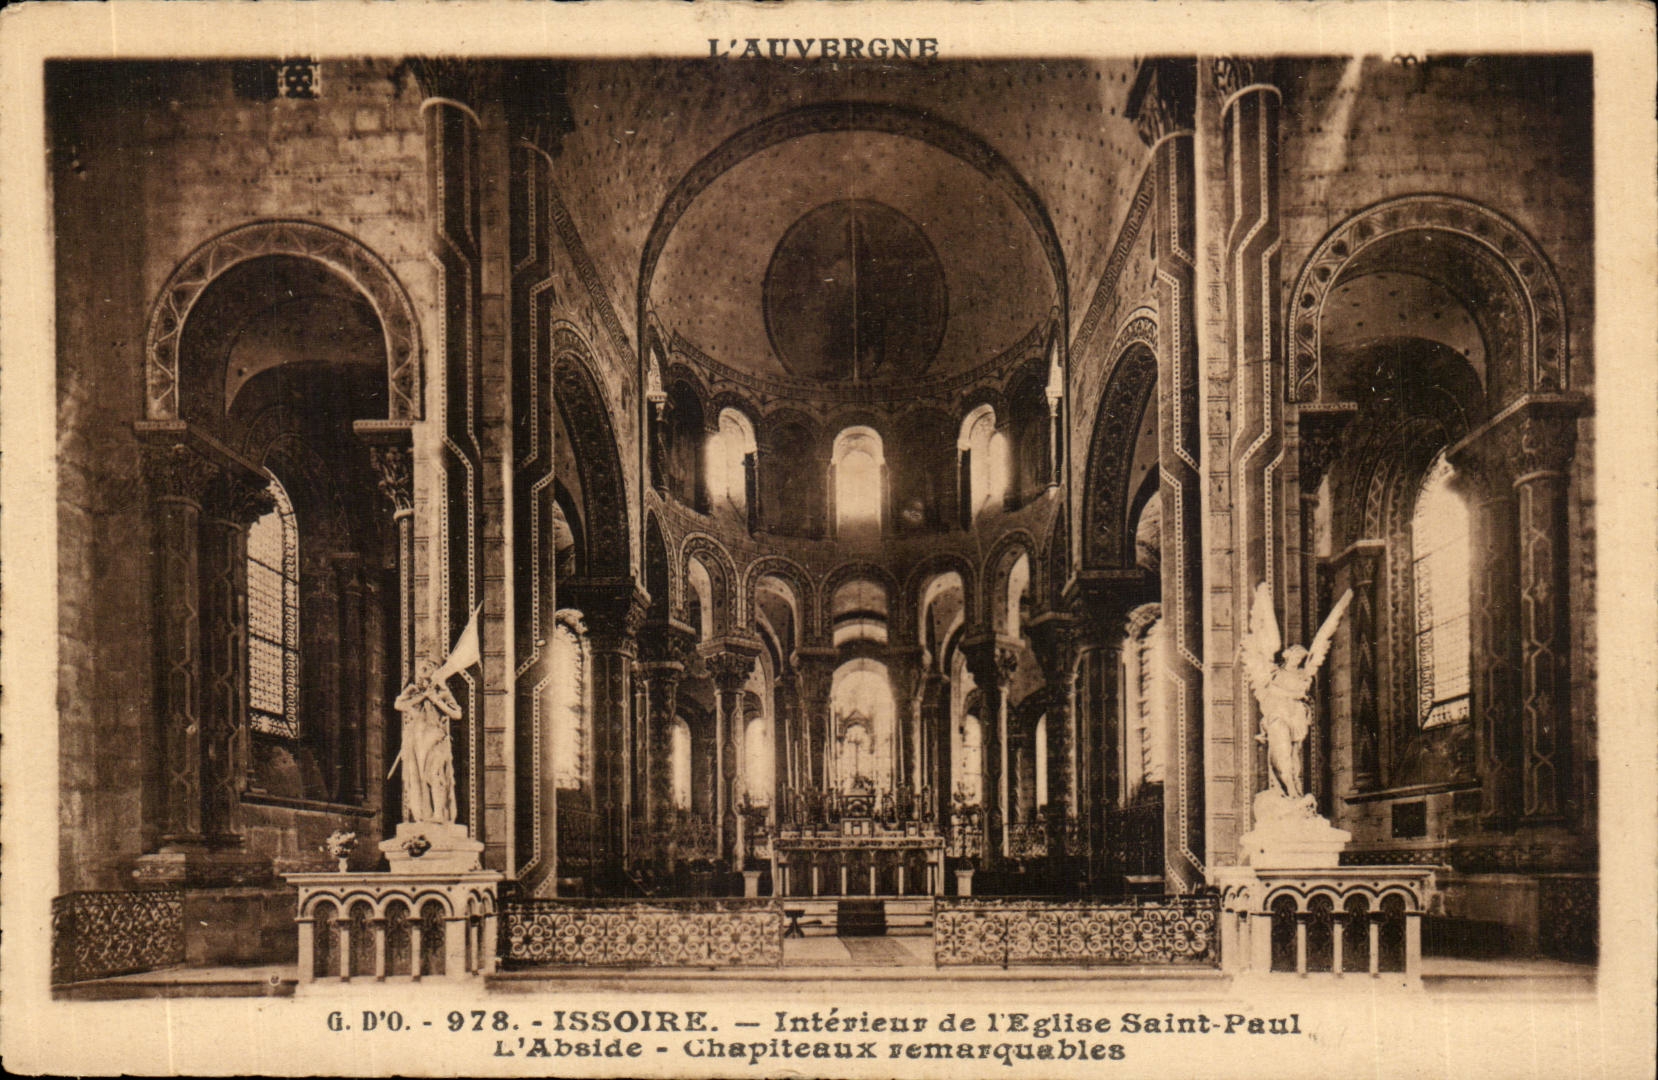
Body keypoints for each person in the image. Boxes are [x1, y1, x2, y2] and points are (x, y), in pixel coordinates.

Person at [1239, 583, 1353, 801]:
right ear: (1288, 655)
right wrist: (1263, 597)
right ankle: (1288, 790)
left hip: (1296, 719)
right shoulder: (1273, 673)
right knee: (1281, 751)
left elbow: (1324, 635)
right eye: (1296, 656)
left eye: (1301, 658)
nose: (1299, 660)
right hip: (1278, 716)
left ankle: (1294, 792)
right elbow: (1273, 691)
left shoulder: (1303, 676)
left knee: (1293, 758)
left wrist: (1343, 602)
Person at [391, 660, 461, 824]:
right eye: (422, 669)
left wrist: (435, 700)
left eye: (428, 668)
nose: (424, 673)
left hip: (436, 739)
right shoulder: (412, 690)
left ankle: (439, 813)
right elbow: (398, 705)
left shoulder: (442, 692)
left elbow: (457, 714)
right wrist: (422, 696)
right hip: (417, 741)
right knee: (418, 777)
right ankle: (422, 814)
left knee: (434, 774)